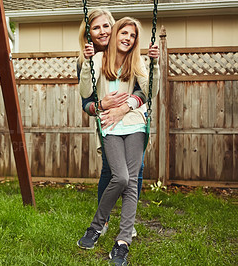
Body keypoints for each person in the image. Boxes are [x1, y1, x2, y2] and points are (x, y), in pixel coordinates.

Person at [77, 17, 160, 265]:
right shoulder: (99, 59)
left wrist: (155, 64)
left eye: (133, 36)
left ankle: (123, 241)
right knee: (120, 177)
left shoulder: (138, 62)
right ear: (115, 35)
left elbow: (150, 92)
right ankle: (97, 225)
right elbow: (84, 93)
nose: (128, 38)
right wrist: (87, 62)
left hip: (135, 123)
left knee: (132, 182)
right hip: (110, 125)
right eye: (124, 33)